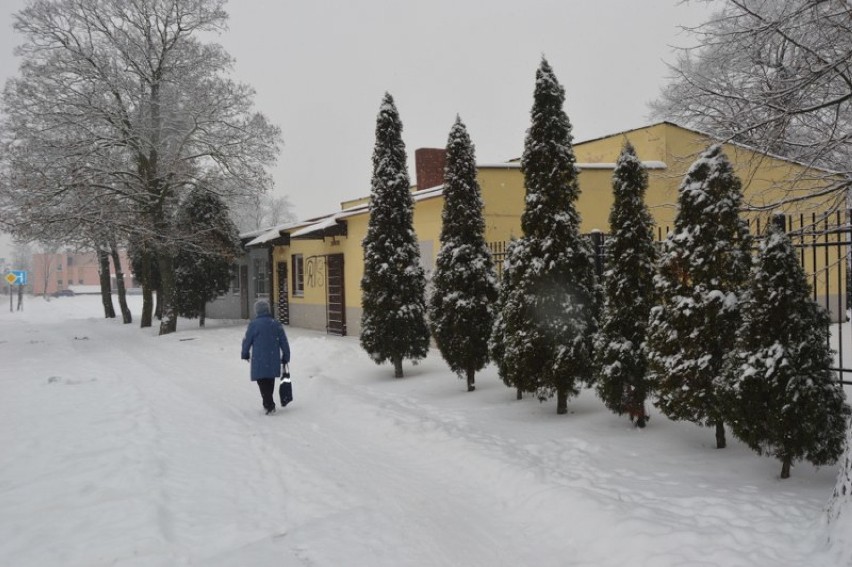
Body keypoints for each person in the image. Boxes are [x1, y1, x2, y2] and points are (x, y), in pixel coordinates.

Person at [241, 298, 290, 414]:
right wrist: (286, 356)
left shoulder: (254, 325)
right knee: (270, 380)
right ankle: (268, 402)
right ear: (267, 310)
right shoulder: (276, 324)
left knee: (262, 381)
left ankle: (268, 404)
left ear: (257, 311)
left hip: (259, 359)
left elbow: (247, 341)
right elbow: (284, 341)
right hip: (273, 359)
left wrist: (245, 353)